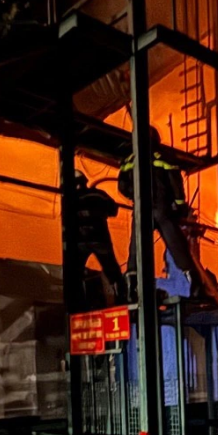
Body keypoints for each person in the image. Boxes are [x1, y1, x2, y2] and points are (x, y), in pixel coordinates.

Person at [117, 128, 201, 297]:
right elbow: (175, 183)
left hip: (141, 210)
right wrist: (180, 205)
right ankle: (196, 287)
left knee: (136, 250)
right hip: (162, 210)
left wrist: (135, 195)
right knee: (177, 246)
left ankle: (132, 288)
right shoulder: (164, 156)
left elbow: (122, 187)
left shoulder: (129, 159)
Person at [73, 170, 125, 309]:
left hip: (80, 241)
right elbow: (113, 210)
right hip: (100, 239)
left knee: (75, 273)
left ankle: (78, 303)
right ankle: (122, 297)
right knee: (112, 270)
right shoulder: (99, 194)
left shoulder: (70, 199)